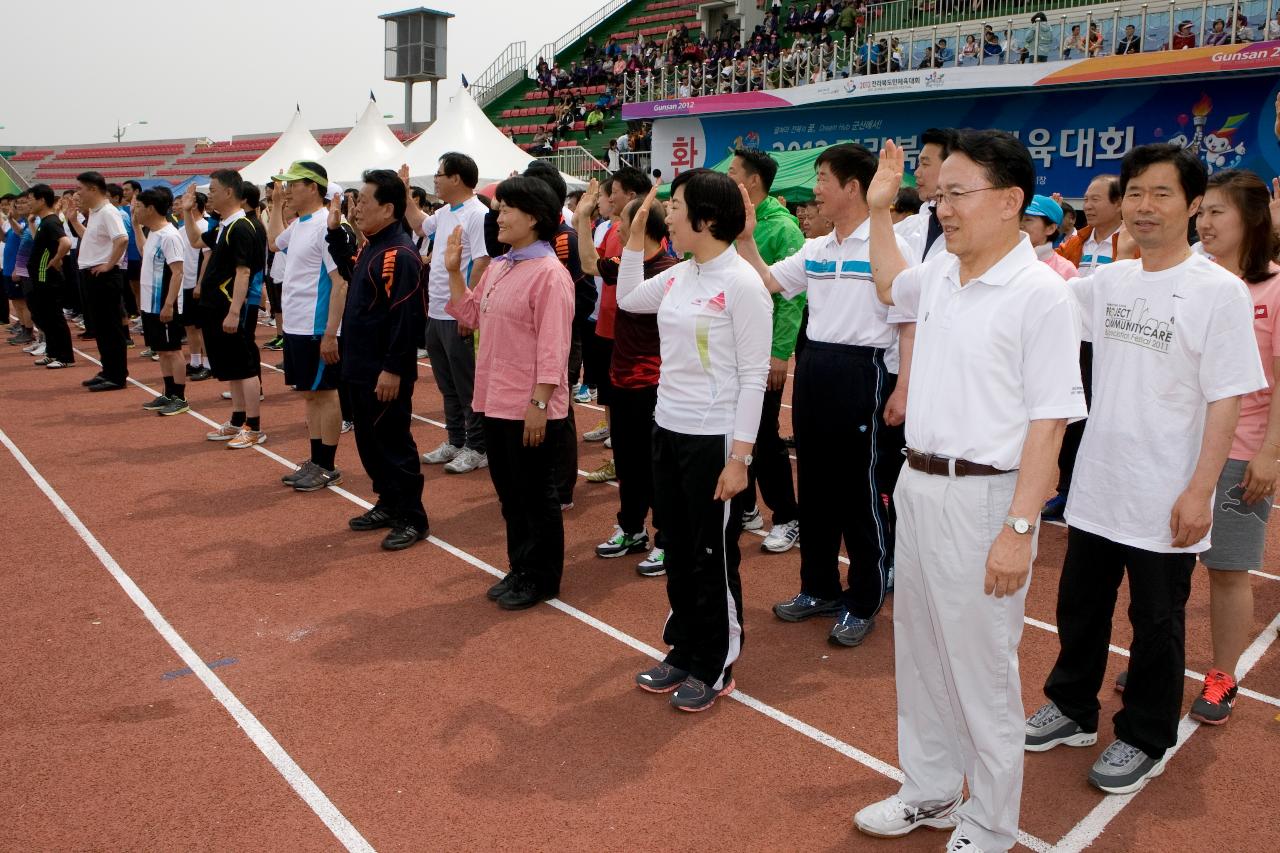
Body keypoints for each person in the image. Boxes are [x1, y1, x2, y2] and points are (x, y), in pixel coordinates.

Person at [854, 131, 1085, 853]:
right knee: (920, 650)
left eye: (957, 194)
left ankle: (990, 820)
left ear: (1011, 200)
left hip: (987, 496)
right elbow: (890, 282)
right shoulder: (943, 271)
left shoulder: (1041, 294)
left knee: (982, 666)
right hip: (919, 481)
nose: (943, 207)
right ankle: (929, 789)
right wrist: (882, 211)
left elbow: (1050, 424)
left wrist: (1019, 530)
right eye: (938, 194)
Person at [1026, 145, 1265, 796]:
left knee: (1157, 622)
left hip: (1167, 493)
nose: (1145, 206)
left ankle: (1144, 734)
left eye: (1162, 194)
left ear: (1192, 206)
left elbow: (1227, 396)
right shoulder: (1109, 281)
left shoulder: (1218, 291)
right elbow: (1039, 312)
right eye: (1135, 192)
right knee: (1080, 606)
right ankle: (1073, 706)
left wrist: (1198, 491)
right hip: (1101, 482)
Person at [738, 143, 913, 648]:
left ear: (852, 187)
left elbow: (907, 320)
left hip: (864, 372)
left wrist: (902, 387)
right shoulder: (817, 249)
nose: (813, 190)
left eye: (821, 179)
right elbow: (770, 282)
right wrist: (748, 242)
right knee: (814, 487)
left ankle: (863, 599)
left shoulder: (886, 246)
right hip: (815, 368)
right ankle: (818, 588)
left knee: (860, 492)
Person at [620, 169, 771, 712]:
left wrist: (740, 459)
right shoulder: (682, 275)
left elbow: (755, 376)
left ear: (706, 218)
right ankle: (683, 648)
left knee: (712, 554)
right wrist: (636, 235)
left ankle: (717, 662)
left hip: (714, 440)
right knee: (677, 547)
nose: (671, 216)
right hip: (669, 429)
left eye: (677, 207)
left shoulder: (743, 284)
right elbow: (630, 299)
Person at [443, 176, 574, 608]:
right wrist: (452, 272)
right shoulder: (502, 265)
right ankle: (520, 567)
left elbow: (554, 347)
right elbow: (469, 314)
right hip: (494, 399)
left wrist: (539, 403)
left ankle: (542, 577)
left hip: (529, 405)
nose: (498, 217)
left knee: (536, 495)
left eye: (506, 209)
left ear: (534, 217)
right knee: (510, 494)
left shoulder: (550, 275)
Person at [1184, 169, 1280, 724]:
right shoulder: (1190, 278)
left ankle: (1222, 673)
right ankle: (1163, 651)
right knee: (1163, 563)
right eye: (1203, 211)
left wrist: (1269, 452)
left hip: (1241, 453)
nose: (1206, 222)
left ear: (1252, 218)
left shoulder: (1272, 288)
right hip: (1177, 448)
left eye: (1218, 211)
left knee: (1227, 569)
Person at [577, 180, 676, 575]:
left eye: (621, 219)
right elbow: (588, 265)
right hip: (622, 377)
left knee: (658, 467)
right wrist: (583, 217)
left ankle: (667, 539)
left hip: (654, 383)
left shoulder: (669, 272)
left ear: (640, 227)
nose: (614, 225)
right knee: (628, 462)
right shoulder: (625, 265)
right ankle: (631, 528)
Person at [340, 170, 429, 551]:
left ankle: (412, 516)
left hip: (384, 370)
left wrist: (393, 368)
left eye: (363, 201)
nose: (356, 208)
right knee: (369, 441)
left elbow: (406, 318)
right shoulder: (371, 246)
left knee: (393, 443)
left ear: (388, 208)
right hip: (360, 366)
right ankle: (388, 501)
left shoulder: (399, 254)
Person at [726, 148, 806, 554]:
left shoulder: (783, 229)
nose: (727, 174)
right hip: (730, 347)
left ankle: (788, 516)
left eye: (733, 171)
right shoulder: (730, 222)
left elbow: (792, 299)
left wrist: (779, 353)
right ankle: (745, 507)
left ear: (752, 181)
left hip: (762, 351)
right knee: (735, 430)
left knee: (763, 434)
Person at [402, 154, 492, 475]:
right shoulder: (443, 213)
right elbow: (416, 223)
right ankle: (455, 439)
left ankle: (478, 446)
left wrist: (468, 311)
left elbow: (481, 262)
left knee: (467, 383)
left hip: (459, 314)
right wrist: (404, 190)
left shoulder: (478, 214)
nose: (435, 180)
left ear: (456, 178)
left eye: (439, 174)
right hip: (437, 311)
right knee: (446, 383)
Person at [268, 161, 347, 492]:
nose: (287, 190)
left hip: (316, 326)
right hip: (298, 325)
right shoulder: (300, 224)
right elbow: (274, 243)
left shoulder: (325, 227)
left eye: (292, 185)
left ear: (313, 187)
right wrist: (274, 205)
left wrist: (331, 332)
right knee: (311, 395)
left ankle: (327, 465)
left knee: (325, 393)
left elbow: (340, 282)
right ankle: (316, 460)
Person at [184, 171, 266, 448]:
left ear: (229, 192)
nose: (211, 195)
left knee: (244, 367)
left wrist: (234, 311)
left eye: (215, 190)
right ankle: (237, 419)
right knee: (231, 367)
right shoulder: (222, 226)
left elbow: (243, 273)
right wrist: (187, 212)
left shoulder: (241, 227)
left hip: (228, 308)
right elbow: (196, 241)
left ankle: (253, 426)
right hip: (214, 307)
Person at [126, 188, 188, 414]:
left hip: (164, 302)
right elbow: (144, 251)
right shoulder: (154, 232)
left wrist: (169, 304)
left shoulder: (170, 236)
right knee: (161, 350)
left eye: (139, 207)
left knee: (173, 350)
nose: (136, 211)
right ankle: (168, 392)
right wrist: (135, 226)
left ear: (151, 208)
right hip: (150, 303)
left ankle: (180, 397)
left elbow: (178, 272)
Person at [68, 171, 129, 391]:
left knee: (110, 327)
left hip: (104, 276)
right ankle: (108, 370)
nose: (78, 194)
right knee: (101, 327)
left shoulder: (108, 212)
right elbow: (92, 239)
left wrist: (109, 264)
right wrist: (74, 222)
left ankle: (117, 375)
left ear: (93, 189)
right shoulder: (95, 213)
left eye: (80, 189)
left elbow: (122, 239)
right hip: (92, 274)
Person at [24, 184, 74, 369]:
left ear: (42, 200)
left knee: (54, 317)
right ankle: (52, 352)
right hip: (40, 277)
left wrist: (55, 259)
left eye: (31, 200)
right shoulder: (43, 222)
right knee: (45, 317)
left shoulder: (51, 222)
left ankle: (65, 356)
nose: (29, 203)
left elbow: (66, 242)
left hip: (48, 278)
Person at [175, 191, 213, 382]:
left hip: (198, 284)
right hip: (185, 283)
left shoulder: (205, 226)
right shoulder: (183, 229)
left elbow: (208, 256)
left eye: (183, 202)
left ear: (195, 205)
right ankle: (196, 361)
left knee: (202, 327)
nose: (179, 206)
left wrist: (200, 283)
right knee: (189, 325)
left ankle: (208, 364)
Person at [1020, 194, 1078, 280]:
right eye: (1018, 219)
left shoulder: (1065, 270)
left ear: (1050, 228)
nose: (1020, 225)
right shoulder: (1004, 261)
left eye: (1028, 219)